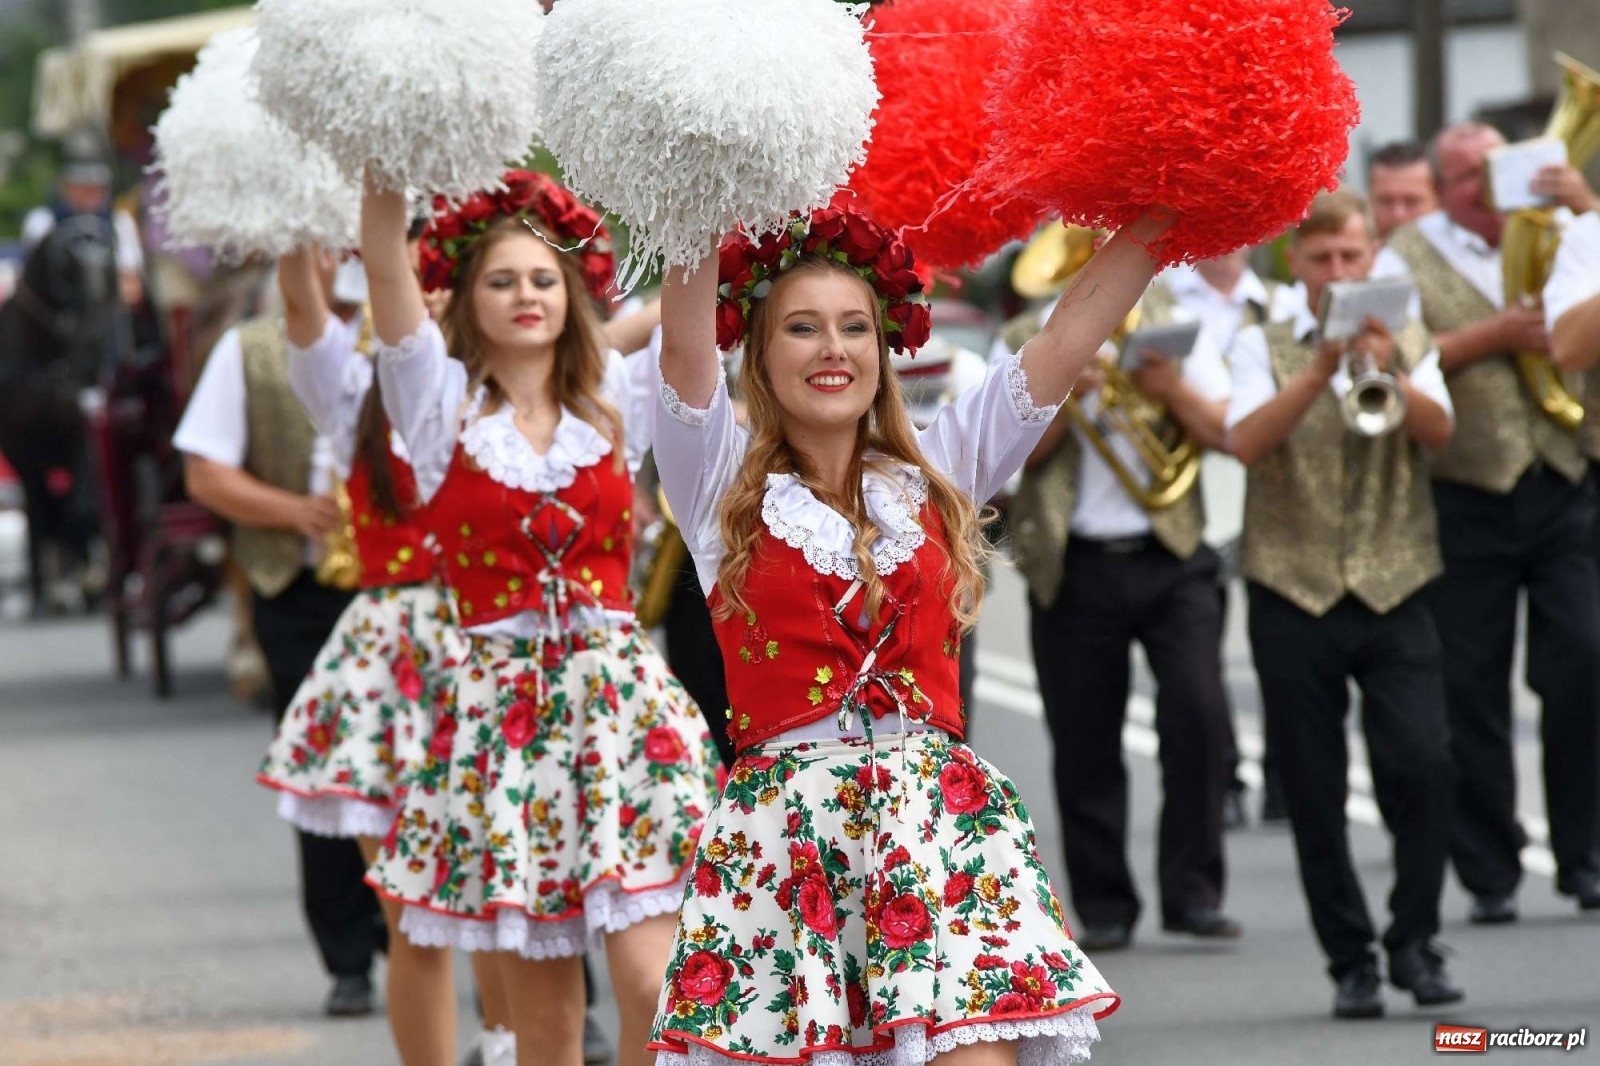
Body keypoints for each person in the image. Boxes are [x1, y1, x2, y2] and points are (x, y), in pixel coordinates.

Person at [646, 201, 1172, 1065]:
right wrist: (699, 188)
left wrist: (1168, 208)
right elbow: (682, 353)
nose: (834, 349)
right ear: (760, 356)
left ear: (882, 351)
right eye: (803, 328)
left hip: (938, 832)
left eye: (855, 327)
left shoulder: (941, 468)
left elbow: (1064, 340)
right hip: (787, 845)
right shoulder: (718, 488)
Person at [354, 169, 720, 1066]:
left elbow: (685, 320)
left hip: (623, 712)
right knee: (547, 1028)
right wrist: (383, 163)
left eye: (544, 278)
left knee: (657, 990)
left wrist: (701, 192)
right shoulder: (437, 406)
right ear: (466, 298)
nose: (526, 294)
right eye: (502, 279)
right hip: (504, 723)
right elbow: (386, 266)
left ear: (571, 293)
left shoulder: (614, 396)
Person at [261, 245, 523, 1066]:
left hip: (493, 644)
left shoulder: (511, 391)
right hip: (392, 661)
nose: (427, 301)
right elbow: (303, 310)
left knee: (503, 901)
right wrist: (287, 220)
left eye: (443, 286)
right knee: (413, 914)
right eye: (411, 286)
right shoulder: (354, 394)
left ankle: (507, 1046)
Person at [1227, 189, 1462, 1019]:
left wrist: (1388, 366)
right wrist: (1319, 370)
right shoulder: (1259, 341)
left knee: (1425, 764)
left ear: (1372, 257)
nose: (1338, 270)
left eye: (1352, 256)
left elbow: (1440, 432)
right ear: (1296, 261)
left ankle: (1416, 941)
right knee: (1313, 787)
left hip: (1397, 582)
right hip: (1291, 588)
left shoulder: (1407, 332)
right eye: (1322, 258)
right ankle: (1351, 962)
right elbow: (1243, 440)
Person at [1387, 121, 1600, 922]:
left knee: (1582, 659)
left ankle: (1584, 854)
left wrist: (1587, 210)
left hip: (1560, 477)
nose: (1484, 188)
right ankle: (1490, 869)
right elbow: (1400, 355)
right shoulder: (1405, 252)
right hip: (1465, 490)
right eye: (1467, 177)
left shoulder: (1556, 230)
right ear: (1443, 187)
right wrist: (1496, 335)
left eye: (1493, 170)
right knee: (1470, 684)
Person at [1001, 268, 1240, 952]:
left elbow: (1224, 430)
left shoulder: (1172, 324)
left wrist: (1169, 387)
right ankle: (1105, 905)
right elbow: (1008, 463)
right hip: (1074, 565)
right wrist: (1061, 398)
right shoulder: (1024, 338)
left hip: (1172, 555)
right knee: (1084, 740)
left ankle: (1194, 893)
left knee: (1200, 716)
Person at [174, 263, 387, 1017]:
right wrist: (294, 511)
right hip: (300, 591)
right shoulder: (249, 349)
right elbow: (205, 474)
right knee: (325, 774)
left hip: (407, 592)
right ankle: (348, 956)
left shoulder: (418, 339)